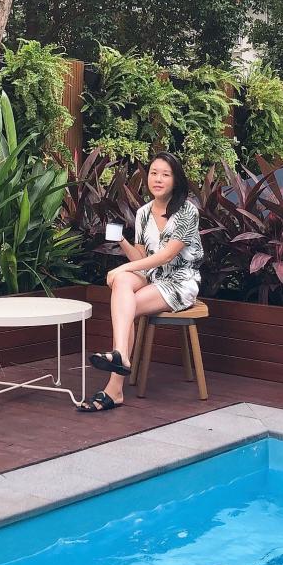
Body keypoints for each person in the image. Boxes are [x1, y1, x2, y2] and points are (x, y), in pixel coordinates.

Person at [79, 151, 203, 413]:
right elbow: (143, 258)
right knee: (123, 282)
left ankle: (115, 388)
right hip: (153, 278)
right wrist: (122, 241)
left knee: (126, 300)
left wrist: (123, 267)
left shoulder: (187, 211)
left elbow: (166, 256)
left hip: (180, 281)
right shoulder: (144, 212)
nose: (157, 179)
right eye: (154, 173)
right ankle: (121, 356)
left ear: (176, 180)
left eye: (165, 175)